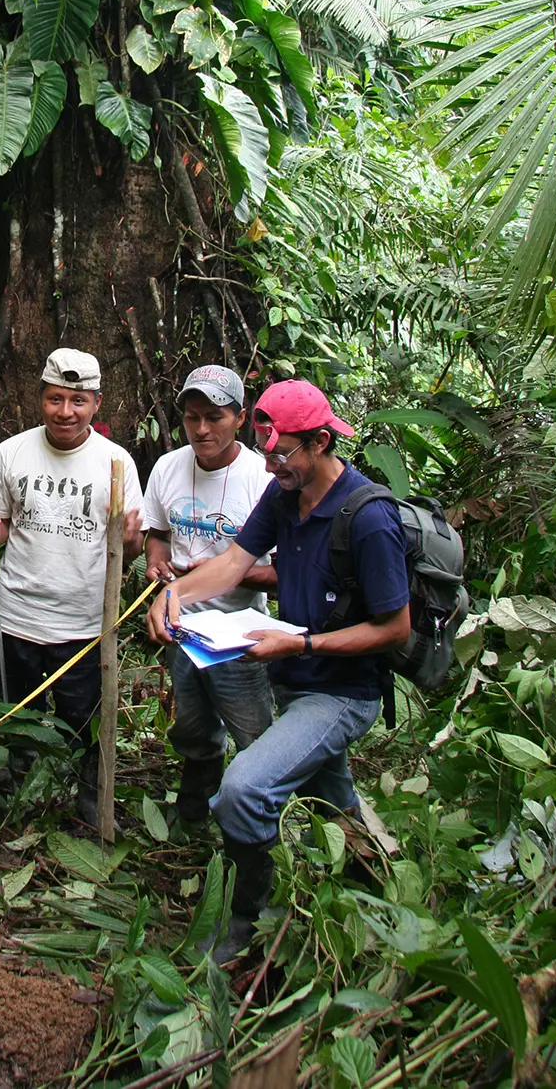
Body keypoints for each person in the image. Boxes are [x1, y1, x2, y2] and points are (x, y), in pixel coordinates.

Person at [146, 378, 410, 963]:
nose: (272, 466)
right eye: (266, 452)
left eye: (283, 453)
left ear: (320, 442)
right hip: (299, 680)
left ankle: (249, 916)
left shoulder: (368, 518)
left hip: (341, 692)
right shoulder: (283, 496)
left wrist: (302, 644)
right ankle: (372, 890)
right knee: (331, 801)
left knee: (243, 788)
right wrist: (176, 597)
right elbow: (234, 564)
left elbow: (395, 629)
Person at [0, 348, 144, 828]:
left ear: (96, 404)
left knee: (81, 721)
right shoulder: (13, 452)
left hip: (83, 622)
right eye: (54, 399)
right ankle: (14, 792)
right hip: (15, 614)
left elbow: (126, 548)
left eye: (77, 401)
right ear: (41, 398)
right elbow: (3, 521)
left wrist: (132, 541)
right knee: (15, 714)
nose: (64, 412)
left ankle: (87, 796)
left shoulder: (116, 462)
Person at [142, 365, 276, 826]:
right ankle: (195, 813)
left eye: (215, 417)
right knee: (193, 729)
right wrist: (156, 561)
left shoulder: (262, 479)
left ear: (241, 418)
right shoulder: (168, 467)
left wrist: (228, 574)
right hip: (181, 629)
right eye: (192, 417)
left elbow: (284, 572)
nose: (201, 429)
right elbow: (156, 532)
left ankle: (258, 822)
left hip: (240, 635)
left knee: (255, 734)